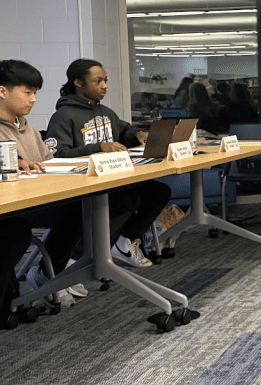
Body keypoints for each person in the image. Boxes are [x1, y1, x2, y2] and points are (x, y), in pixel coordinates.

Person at [46, 58, 171, 268]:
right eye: (97, 81)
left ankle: (124, 243)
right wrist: (98, 147)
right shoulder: (64, 115)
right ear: (78, 83)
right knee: (125, 200)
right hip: (81, 186)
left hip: (110, 178)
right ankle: (75, 258)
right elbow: (58, 154)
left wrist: (137, 133)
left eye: (105, 80)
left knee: (158, 191)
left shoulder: (105, 112)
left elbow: (123, 130)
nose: (104, 85)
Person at [0, 59, 87, 306]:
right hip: (11, 207)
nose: (33, 99)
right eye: (27, 92)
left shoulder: (28, 129)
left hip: (36, 200)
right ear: (2, 91)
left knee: (86, 208)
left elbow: (48, 163)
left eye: (34, 93)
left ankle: (53, 272)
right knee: (15, 234)